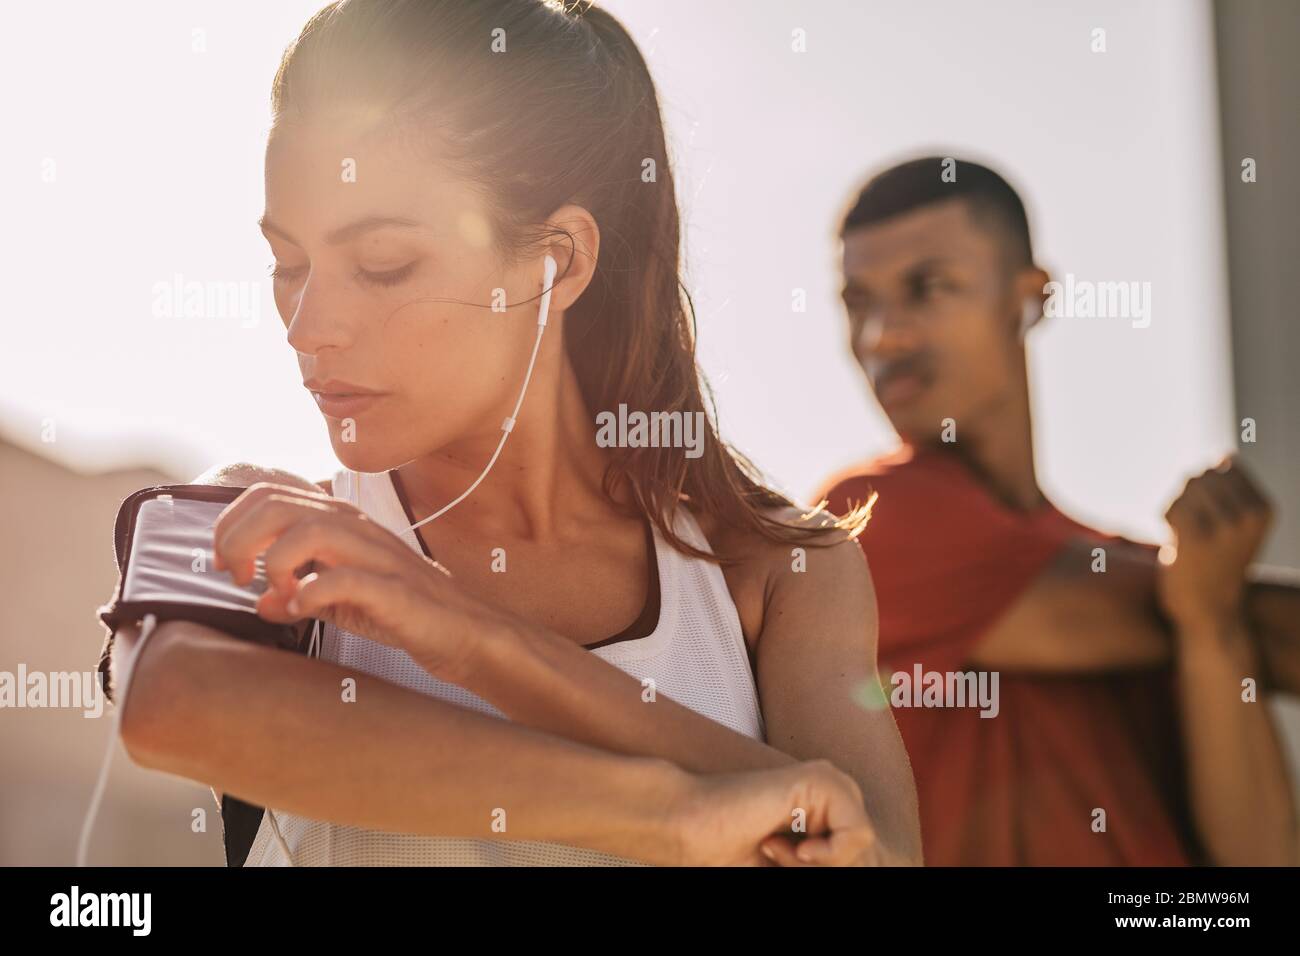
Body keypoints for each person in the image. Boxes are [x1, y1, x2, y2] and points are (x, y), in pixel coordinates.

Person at [96, 0, 922, 867]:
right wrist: (669, 813)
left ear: (556, 260)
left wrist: (473, 638)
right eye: (288, 265)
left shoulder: (783, 573)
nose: (306, 325)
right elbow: (169, 699)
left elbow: (875, 860)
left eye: (383, 265)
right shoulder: (254, 514)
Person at [816, 156, 1300, 866]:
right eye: (858, 301)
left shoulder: (1133, 565)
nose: (881, 336)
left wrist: (1212, 628)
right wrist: (1206, 601)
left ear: (1030, 297)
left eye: (928, 288)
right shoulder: (866, 517)